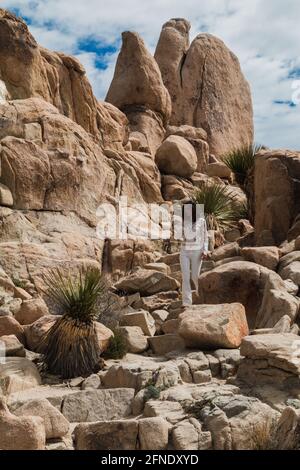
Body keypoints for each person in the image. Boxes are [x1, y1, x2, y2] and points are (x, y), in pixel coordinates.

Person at [180, 200, 210, 306]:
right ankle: (186, 302)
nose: (187, 211)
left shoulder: (201, 221)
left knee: (195, 276)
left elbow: (205, 236)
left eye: (189, 208)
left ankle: (200, 295)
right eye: (185, 209)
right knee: (185, 276)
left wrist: (205, 250)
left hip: (197, 251)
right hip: (184, 251)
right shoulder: (181, 221)